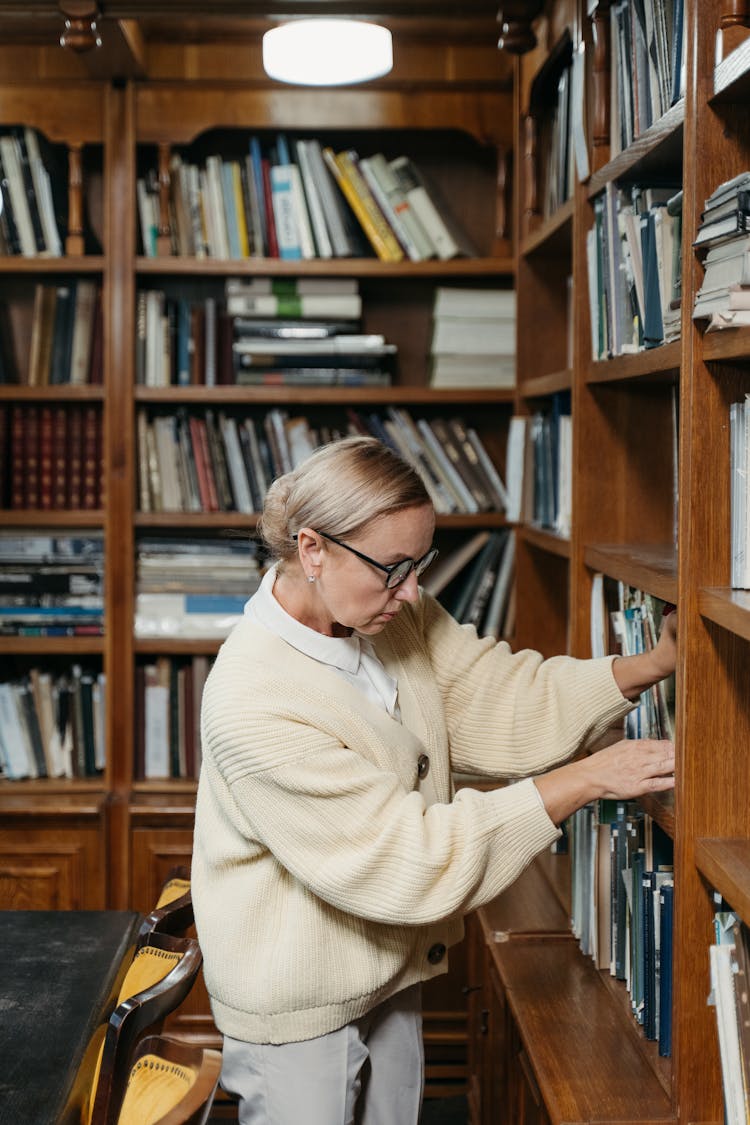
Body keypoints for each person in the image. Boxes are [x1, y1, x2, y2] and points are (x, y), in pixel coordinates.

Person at [192, 435, 676, 1125]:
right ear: (312, 548)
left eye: (420, 563)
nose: (413, 591)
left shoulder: (388, 615)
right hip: (296, 1003)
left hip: (389, 963)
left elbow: (497, 694)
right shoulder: (253, 700)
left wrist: (646, 665)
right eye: (392, 568)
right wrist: (586, 779)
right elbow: (406, 856)